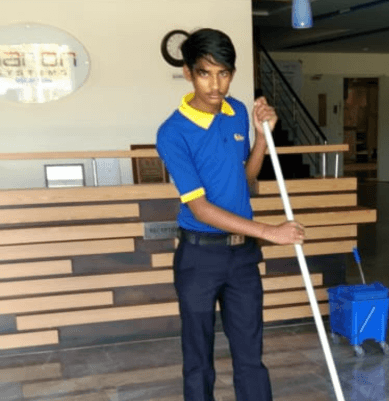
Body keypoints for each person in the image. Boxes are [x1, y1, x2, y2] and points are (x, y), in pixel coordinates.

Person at [156, 28, 305, 401]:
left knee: (250, 356)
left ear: (232, 73)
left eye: (223, 73)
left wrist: (261, 137)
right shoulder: (172, 132)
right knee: (198, 359)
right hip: (199, 257)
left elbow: (246, 178)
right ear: (188, 73)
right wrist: (270, 232)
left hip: (242, 257)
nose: (215, 85)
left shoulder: (237, 111)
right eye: (205, 73)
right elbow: (201, 208)